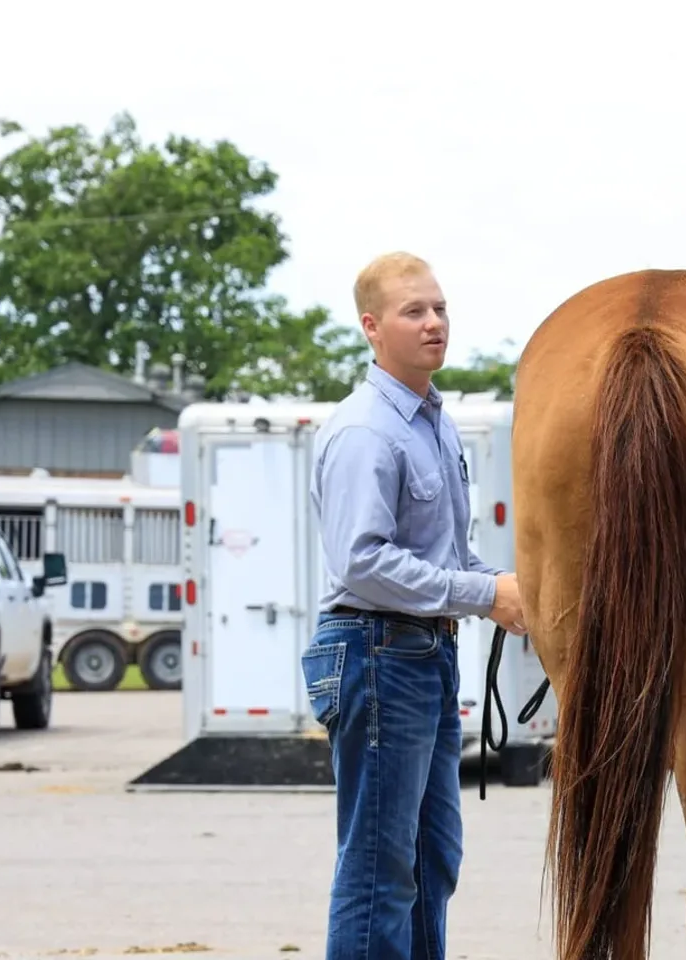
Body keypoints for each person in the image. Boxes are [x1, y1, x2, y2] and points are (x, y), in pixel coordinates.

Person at [299, 251, 527, 960]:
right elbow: (362, 562)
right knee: (379, 869)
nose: (435, 323)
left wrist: (520, 588)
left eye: (440, 308)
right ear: (371, 327)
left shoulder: (434, 423)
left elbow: (447, 559)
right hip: (376, 651)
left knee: (432, 858)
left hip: (423, 654)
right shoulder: (367, 430)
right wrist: (485, 594)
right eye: (414, 311)